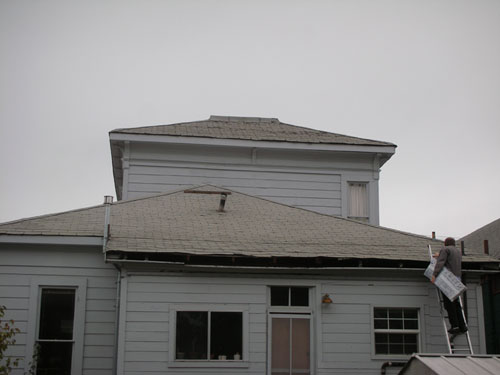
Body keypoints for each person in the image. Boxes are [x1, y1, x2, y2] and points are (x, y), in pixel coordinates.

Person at [431, 237, 468, 335]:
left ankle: (454, 325)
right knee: (456, 304)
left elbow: (440, 263)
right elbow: (449, 259)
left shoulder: (445, 249)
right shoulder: (457, 251)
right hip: (457, 279)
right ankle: (462, 326)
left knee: (449, 304)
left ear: (445, 243)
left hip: (448, 279)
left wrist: (434, 275)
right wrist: (439, 255)